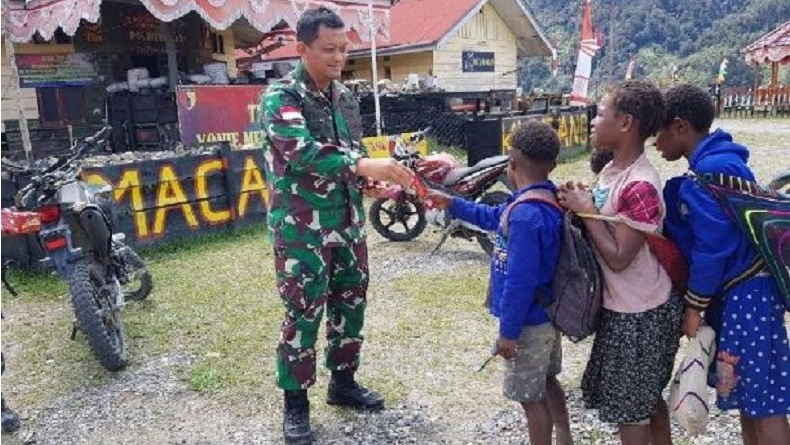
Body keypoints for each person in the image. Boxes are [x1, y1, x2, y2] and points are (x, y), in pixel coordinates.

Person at [260, 7, 414, 445]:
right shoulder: (281, 97)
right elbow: (304, 153)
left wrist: (368, 181)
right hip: (301, 228)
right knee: (304, 309)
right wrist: (367, 164)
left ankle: (343, 382)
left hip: (347, 223)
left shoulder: (344, 97)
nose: (338, 57)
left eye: (343, 48)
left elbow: (347, 153)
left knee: (351, 302)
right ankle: (295, 404)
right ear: (302, 48)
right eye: (328, 49)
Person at [655, 84, 790, 445]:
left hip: (747, 299)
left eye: (658, 130)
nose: (655, 142)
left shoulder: (707, 174)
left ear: (680, 127)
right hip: (752, 296)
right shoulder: (721, 161)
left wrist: (695, 306)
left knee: (766, 405)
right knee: (751, 398)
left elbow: (712, 249)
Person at [427, 120, 573, 445]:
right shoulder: (539, 201)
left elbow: (519, 283)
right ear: (552, 164)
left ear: (512, 165)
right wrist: (452, 202)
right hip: (547, 318)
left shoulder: (525, 215)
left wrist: (508, 334)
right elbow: (492, 217)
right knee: (547, 381)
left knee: (529, 398)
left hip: (528, 324)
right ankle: (564, 437)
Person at [558, 80, 681, 445]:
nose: (593, 121)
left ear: (625, 123)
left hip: (641, 314)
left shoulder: (640, 184)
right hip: (626, 308)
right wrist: (583, 200)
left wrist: (589, 212)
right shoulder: (614, 171)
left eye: (599, 113)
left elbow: (619, 259)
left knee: (632, 414)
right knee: (645, 401)